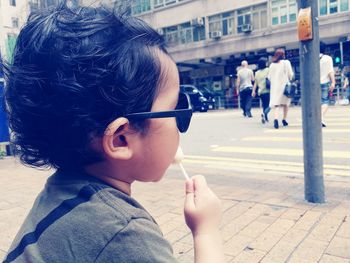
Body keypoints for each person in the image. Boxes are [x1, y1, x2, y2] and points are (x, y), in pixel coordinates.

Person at [3, 4, 224, 263]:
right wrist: (206, 231)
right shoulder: (124, 234)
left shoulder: (60, 193)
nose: (180, 122)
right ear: (120, 139)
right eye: (176, 110)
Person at [268, 49, 293, 129]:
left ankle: (276, 119)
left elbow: (269, 77)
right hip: (285, 87)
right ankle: (284, 119)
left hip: (275, 88)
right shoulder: (286, 63)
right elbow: (290, 75)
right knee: (286, 104)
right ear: (283, 55)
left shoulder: (272, 65)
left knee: (276, 105)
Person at [320, 42, 335, 127]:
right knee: (325, 101)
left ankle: (318, 118)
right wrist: (333, 82)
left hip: (313, 83)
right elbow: (330, 71)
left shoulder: (312, 57)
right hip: (325, 82)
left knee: (316, 102)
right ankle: (320, 117)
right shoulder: (328, 58)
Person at [252, 58, 270, 124]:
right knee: (270, 105)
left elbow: (255, 83)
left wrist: (253, 91)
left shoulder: (257, 73)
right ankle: (264, 113)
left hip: (260, 92)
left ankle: (265, 117)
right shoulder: (268, 70)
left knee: (264, 105)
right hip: (268, 90)